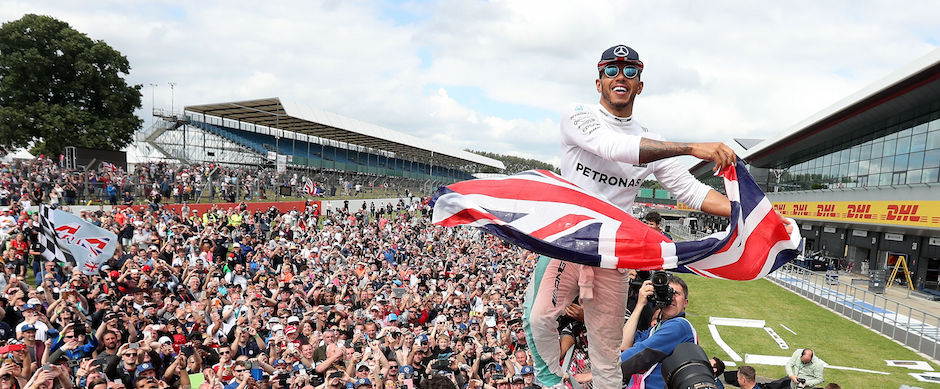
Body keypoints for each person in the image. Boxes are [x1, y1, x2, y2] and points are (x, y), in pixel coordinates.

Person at [523, 44, 740, 389]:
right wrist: (690, 147)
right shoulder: (578, 115)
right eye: (610, 70)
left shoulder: (650, 138)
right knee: (538, 319)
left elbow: (690, 191)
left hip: (611, 252)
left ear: (640, 84)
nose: (619, 76)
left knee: (607, 348)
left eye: (629, 71)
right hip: (569, 241)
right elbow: (612, 146)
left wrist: (750, 211)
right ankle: (551, 383)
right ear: (599, 83)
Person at [620, 274, 696, 389]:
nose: (671, 297)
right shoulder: (655, 330)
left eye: (677, 293)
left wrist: (604, 370)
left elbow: (641, 353)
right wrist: (640, 304)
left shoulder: (680, 326)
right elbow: (624, 345)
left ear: (685, 303)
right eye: (668, 292)